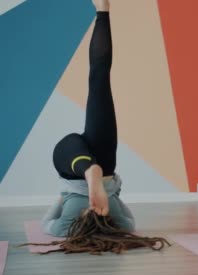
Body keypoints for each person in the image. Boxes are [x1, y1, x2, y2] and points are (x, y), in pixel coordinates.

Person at [41, 0, 134, 237]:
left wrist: (110, 195)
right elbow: (46, 222)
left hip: (104, 171)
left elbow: (129, 218)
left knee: (100, 78)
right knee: (70, 144)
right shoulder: (66, 229)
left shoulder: (121, 226)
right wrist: (64, 199)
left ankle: (103, 10)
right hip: (72, 164)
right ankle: (88, 169)